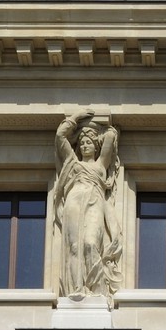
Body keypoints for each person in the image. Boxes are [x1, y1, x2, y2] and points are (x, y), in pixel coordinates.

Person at [53, 110, 121, 298]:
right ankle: (76, 289)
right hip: (74, 201)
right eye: (81, 143)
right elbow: (60, 136)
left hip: (94, 201)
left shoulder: (101, 165)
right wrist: (74, 118)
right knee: (74, 247)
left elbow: (111, 135)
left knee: (91, 243)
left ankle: (95, 289)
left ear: (95, 145)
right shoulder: (73, 162)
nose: (84, 145)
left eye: (88, 142)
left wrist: (101, 120)